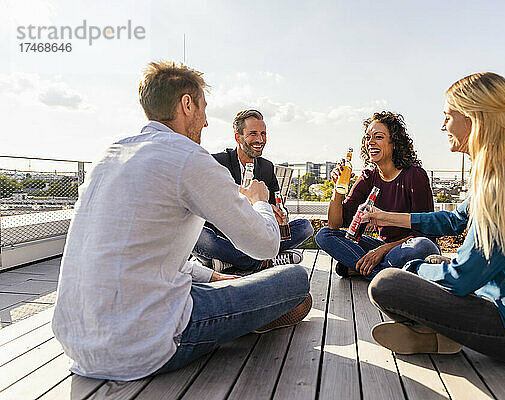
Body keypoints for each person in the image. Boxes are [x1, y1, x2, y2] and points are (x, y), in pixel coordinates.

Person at [52, 61, 311, 381]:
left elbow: (152, 256)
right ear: (187, 104)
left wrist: (216, 279)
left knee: (233, 282)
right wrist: (260, 203)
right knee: (297, 282)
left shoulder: (109, 156)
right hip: (143, 344)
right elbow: (265, 245)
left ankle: (236, 306)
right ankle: (241, 317)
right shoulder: (188, 157)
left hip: (79, 344)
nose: (204, 122)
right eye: (203, 109)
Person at [366, 72, 505, 365]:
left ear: (472, 118)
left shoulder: (502, 185)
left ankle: (437, 333)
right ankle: (438, 338)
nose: (443, 125)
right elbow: (455, 219)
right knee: (432, 266)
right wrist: (389, 218)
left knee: (388, 284)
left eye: (448, 116)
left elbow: (461, 278)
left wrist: (414, 268)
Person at [315, 111, 440, 280]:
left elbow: (427, 234)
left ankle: (367, 270)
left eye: (378, 137)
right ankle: (386, 275)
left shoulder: (415, 175)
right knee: (324, 235)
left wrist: (381, 251)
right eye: (367, 138)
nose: (370, 142)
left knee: (422, 246)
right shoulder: (369, 176)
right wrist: (338, 189)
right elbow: (335, 224)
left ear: (394, 142)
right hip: (383, 248)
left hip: (409, 247)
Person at [193, 109, 313, 272]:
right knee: (198, 236)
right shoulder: (216, 162)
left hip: (254, 235)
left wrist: (278, 214)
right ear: (238, 137)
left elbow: (276, 204)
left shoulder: (266, 167)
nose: (260, 139)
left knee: (305, 227)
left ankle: (233, 261)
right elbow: (204, 211)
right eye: (253, 134)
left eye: (263, 133)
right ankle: (262, 261)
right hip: (224, 236)